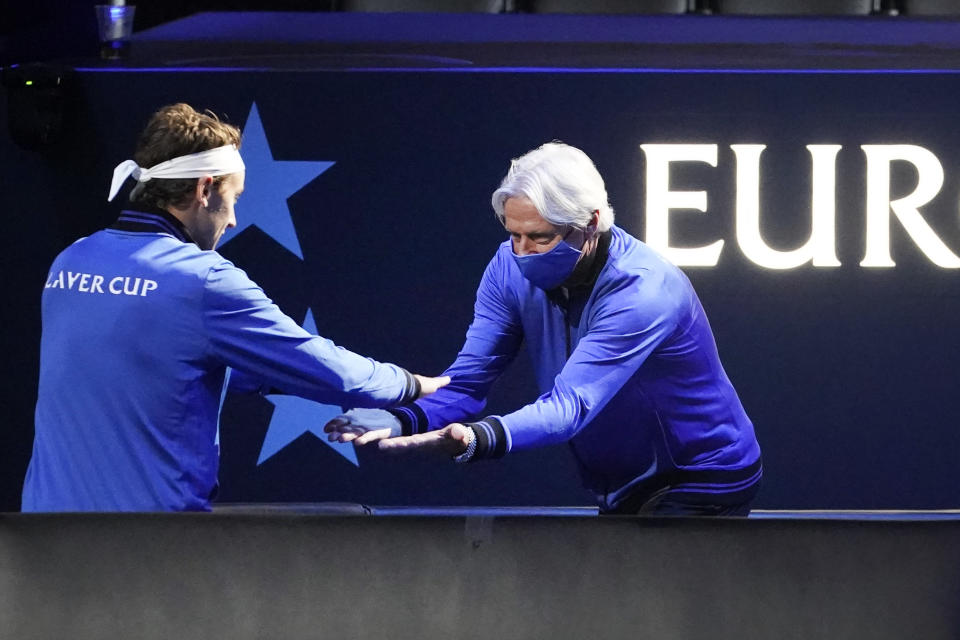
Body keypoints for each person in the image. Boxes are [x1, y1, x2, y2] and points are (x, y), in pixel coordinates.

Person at [22, 103, 447, 512]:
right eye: (235, 197)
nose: (233, 221)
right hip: (142, 548)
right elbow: (329, 372)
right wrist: (413, 385)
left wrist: (275, 374)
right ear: (205, 189)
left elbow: (170, 363)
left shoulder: (72, 259)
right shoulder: (202, 280)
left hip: (43, 539)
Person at [326, 142, 761, 516]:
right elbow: (467, 384)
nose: (522, 251)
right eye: (512, 234)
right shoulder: (506, 266)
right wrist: (402, 420)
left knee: (644, 612)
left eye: (540, 237)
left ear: (590, 223)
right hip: (621, 482)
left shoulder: (645, 290)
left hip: (701, 476)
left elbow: (569, 405)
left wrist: (479, 438)